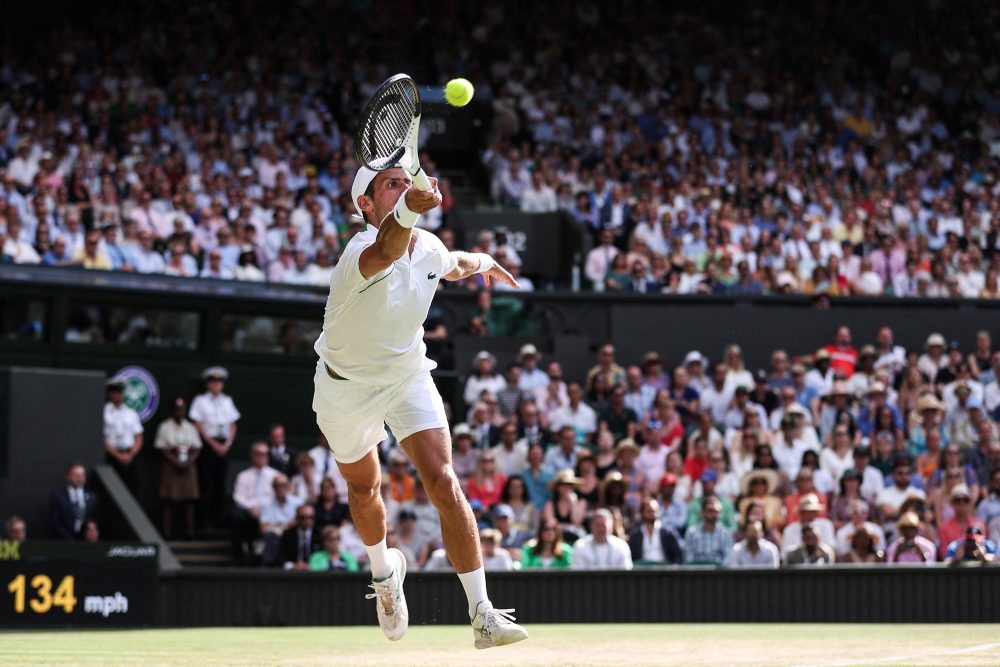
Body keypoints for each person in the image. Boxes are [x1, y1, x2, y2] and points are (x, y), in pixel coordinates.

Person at [311, 162, 526, 646]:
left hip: (407, 375)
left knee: (444, 480)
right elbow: (388, 247)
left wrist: (483, 260)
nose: (404, 188)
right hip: (345, 387)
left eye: (407, 182)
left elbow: (454, 264)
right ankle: (385, 572)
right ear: (365, 205)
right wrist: (410, 207)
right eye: (391, 185)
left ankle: (482, 614)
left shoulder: (428, 245)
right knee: (365, 490)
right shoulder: (359, 254)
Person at [190, 366, 241, 528]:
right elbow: (198, 424)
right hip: (208, 446)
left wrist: (227, 444)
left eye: (219, 382)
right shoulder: (200, 401)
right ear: (208, 384)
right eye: (213, 382)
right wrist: (213, 444)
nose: (216, 385)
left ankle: (218, 520)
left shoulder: (227, 401)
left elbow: (233, 424)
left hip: (224, 446)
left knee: (221, 484)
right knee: (206, 484)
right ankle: (204, 521)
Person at [154, 396, 201, 540]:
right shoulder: (165, 426)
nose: (179, 413)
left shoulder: (191, 427)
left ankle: (190, 532)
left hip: (188, 466)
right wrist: (175, 461)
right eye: (177, 410)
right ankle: (167, 532)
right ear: (172, 411)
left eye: (182, 410)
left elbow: (197, 448)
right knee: (168, 500)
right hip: (171, 465)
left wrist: (189, 461)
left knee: (189, 501)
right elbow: (162, 448)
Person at [230, 442, 279, 564]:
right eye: (258, 454)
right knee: (235, 516)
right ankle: (238, 557)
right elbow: (238, 497)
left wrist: (262, 508)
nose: (261, 457)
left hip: (269, 511)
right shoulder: (244, 475)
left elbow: (277, 496)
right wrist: (252, 507)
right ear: (252, 455)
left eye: (264, 454)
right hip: (249, 512)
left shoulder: (275, 475)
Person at [102, 377, 144, 493]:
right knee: (111, 490)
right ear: (110, 394)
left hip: (130, 457)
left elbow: (138, 437)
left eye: (121, 392)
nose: (119, 395)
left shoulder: (131, 413)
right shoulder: (103, 412)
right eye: (116, 392)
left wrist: (131, 454)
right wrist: (118, 456)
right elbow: (102, 439)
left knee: (132, 488)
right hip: (112, 457)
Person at [49, 463, 99, 540]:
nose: (79, 478)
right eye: (76, 475)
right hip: (64, 540)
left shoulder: (92, 497)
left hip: (86, 540)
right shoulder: (58, 496)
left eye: (82, 475)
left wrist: (91, 527)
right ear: (68, 476)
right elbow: (55, 521)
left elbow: (94, 517)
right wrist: (68, 538)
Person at [628, 499, 683, 564]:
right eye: (649, 511)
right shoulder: (635, 536)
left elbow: (678, 556)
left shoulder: (668, 533)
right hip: (642, 572)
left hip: (664, 571)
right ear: (642, 513)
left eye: (654, 511)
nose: (652, 513)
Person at [683, 496, 733, 565]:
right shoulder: (691, 533)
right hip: (696, 573)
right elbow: (689, 559)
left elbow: (727, 560)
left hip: (719, 574)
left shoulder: (726, 533)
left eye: (717, 511)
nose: (714, 514)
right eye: (711, 511)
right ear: (702, 513)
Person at [278, 504, 320, 570]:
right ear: (297, 518)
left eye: (311, 517)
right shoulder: (288, 534)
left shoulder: (319, 534)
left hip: (315, 573)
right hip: (293, 572)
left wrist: (312, 565)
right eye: (303, 518)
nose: (307, 521)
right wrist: (292, 566)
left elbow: (324, 557)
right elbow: (281, 557)